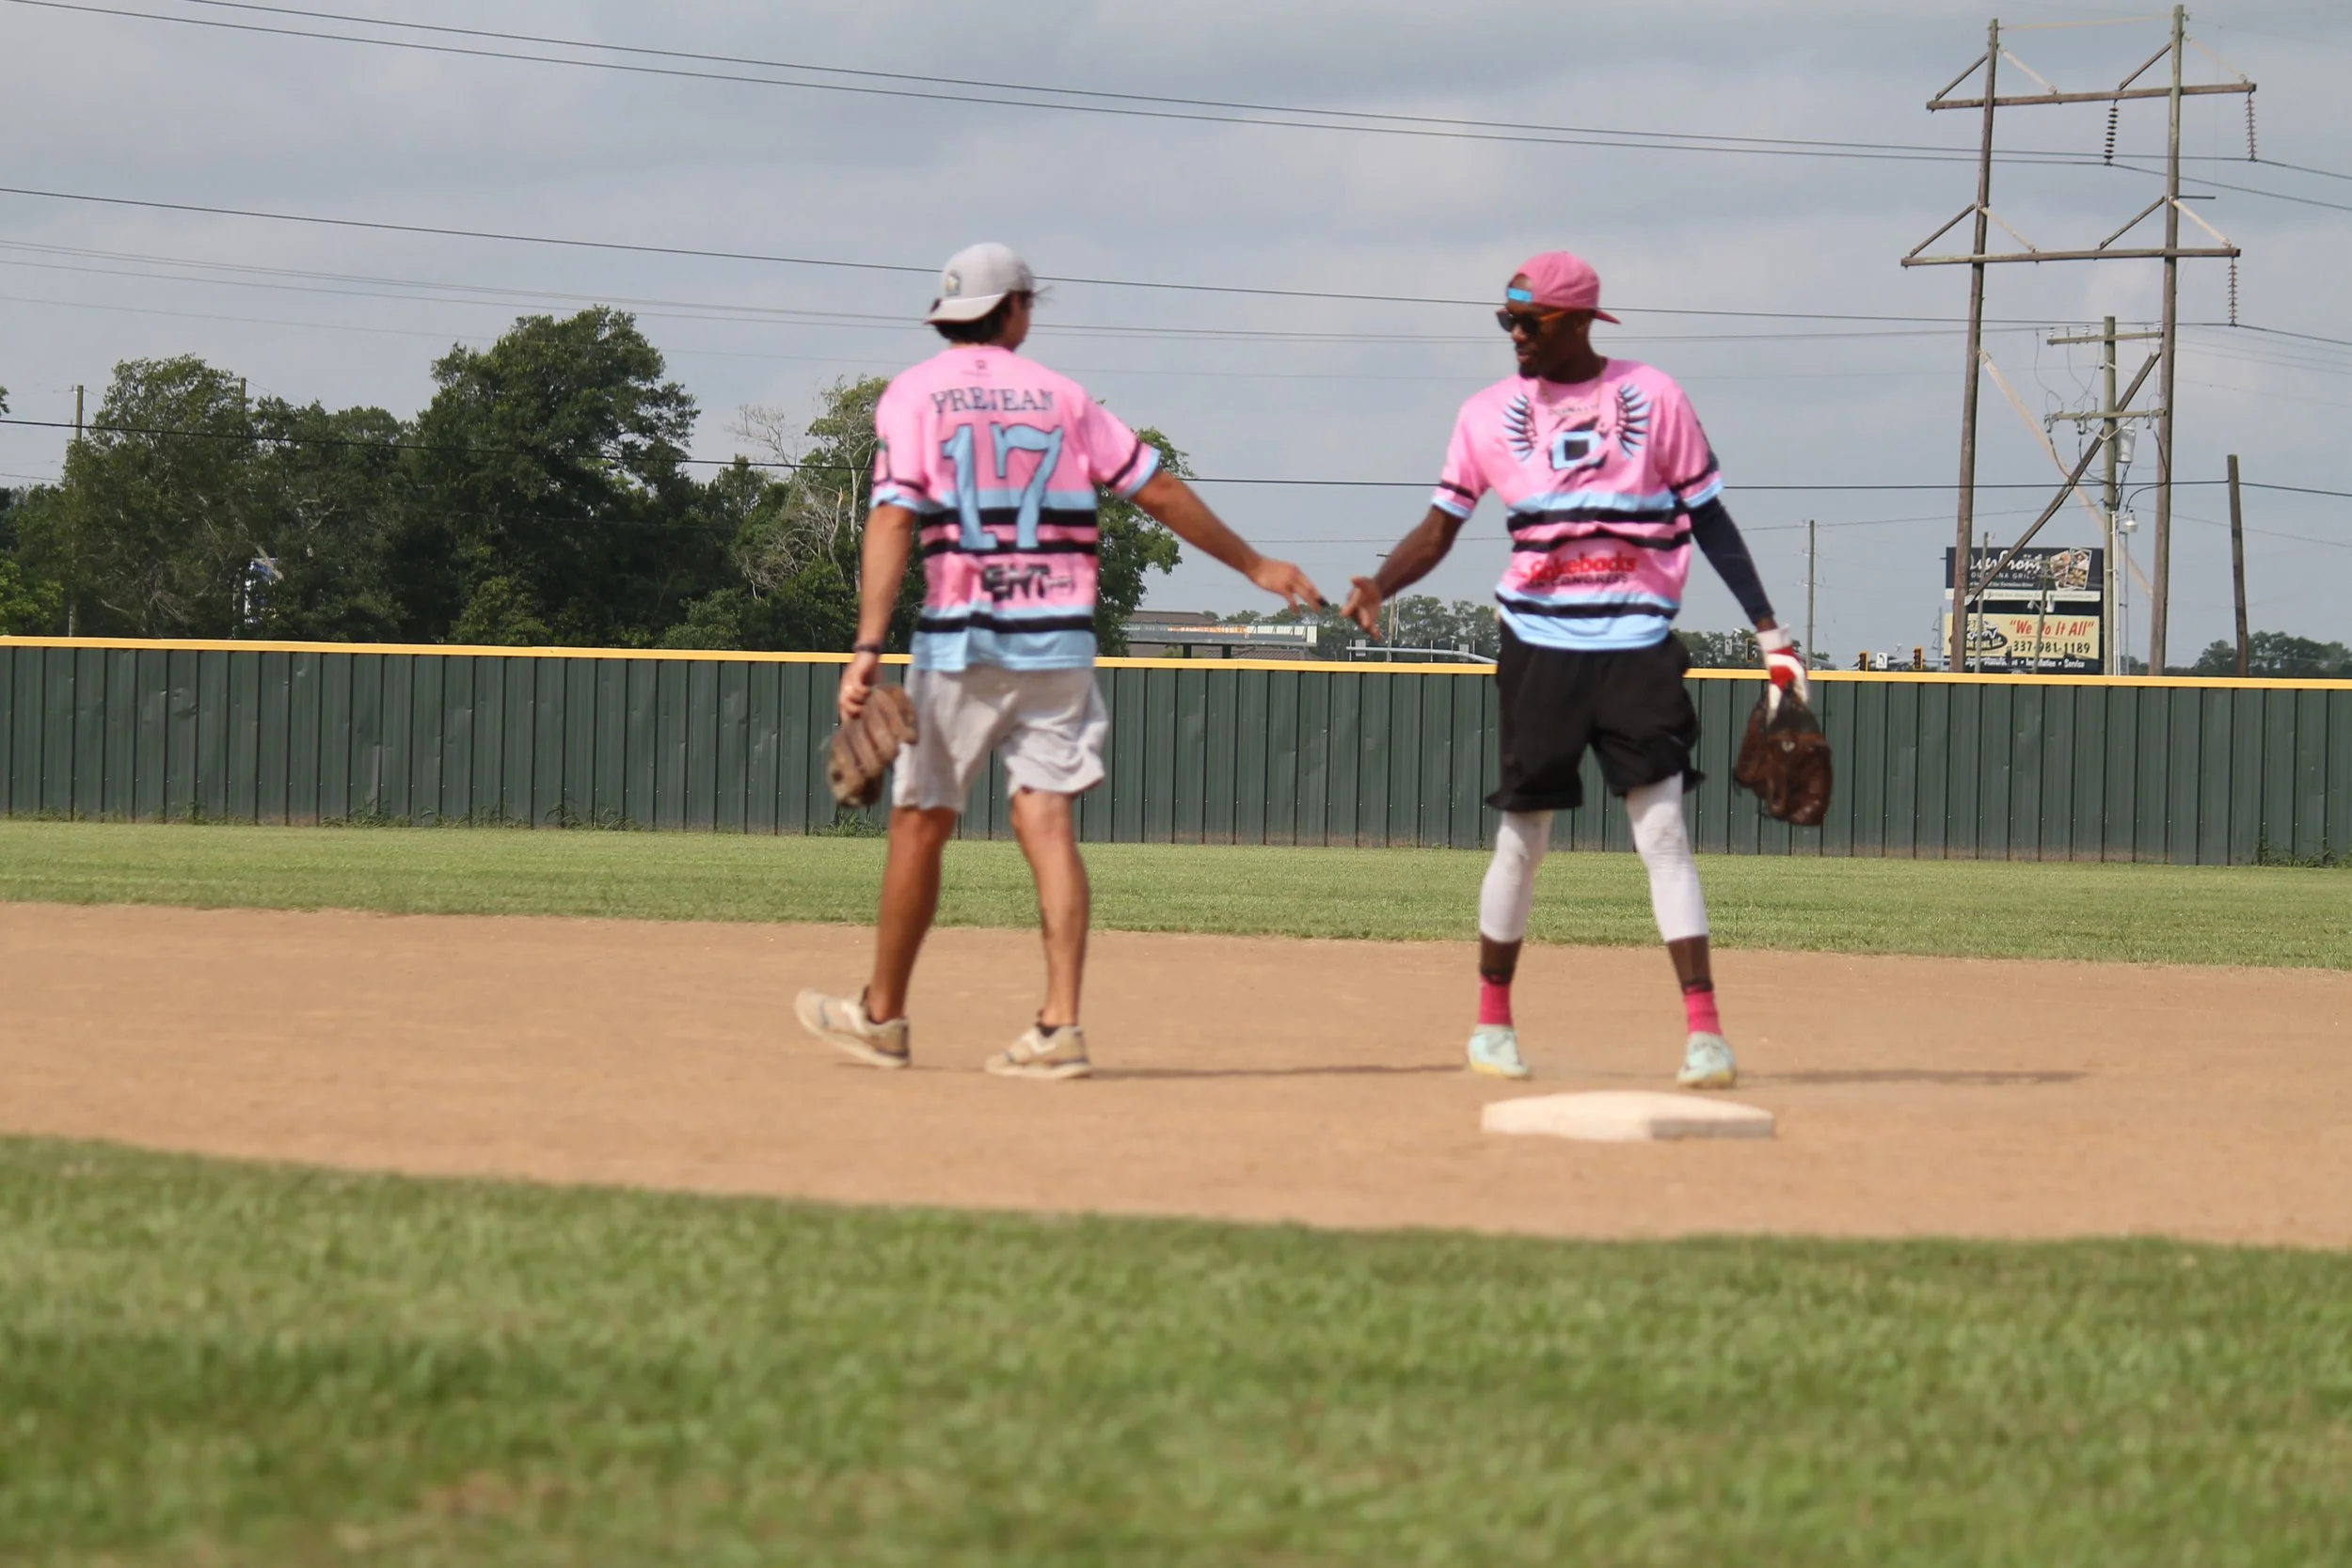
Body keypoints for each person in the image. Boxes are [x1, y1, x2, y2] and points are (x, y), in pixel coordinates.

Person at [797, 242, 1324, 1080]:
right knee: (1047, 825)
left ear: (948, 320)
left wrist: (866, 644)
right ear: (1016, 312)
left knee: (922, 820)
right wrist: (1255, 564)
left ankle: (884, 1017)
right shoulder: (1064, 398)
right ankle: (1059, 1026)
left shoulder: (913, 395)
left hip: (963, 642)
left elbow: (894, 519)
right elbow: (1156, 488)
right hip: (1058, 639)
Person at [1342, 251, 1805, 1089]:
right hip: (1539, 645)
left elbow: (1710, 517)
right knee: (1524, 835)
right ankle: (1491, 1024)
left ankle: (1705, 1033)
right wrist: (1381, 581)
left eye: (1531, 321)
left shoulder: (1654, 397)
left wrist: (1770, 629)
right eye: (1506, 321)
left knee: (1662, 831)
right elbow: (1441, 525)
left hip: (1636, 646)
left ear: (1582, 322)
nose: (1514, 334)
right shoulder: (1487, 414)